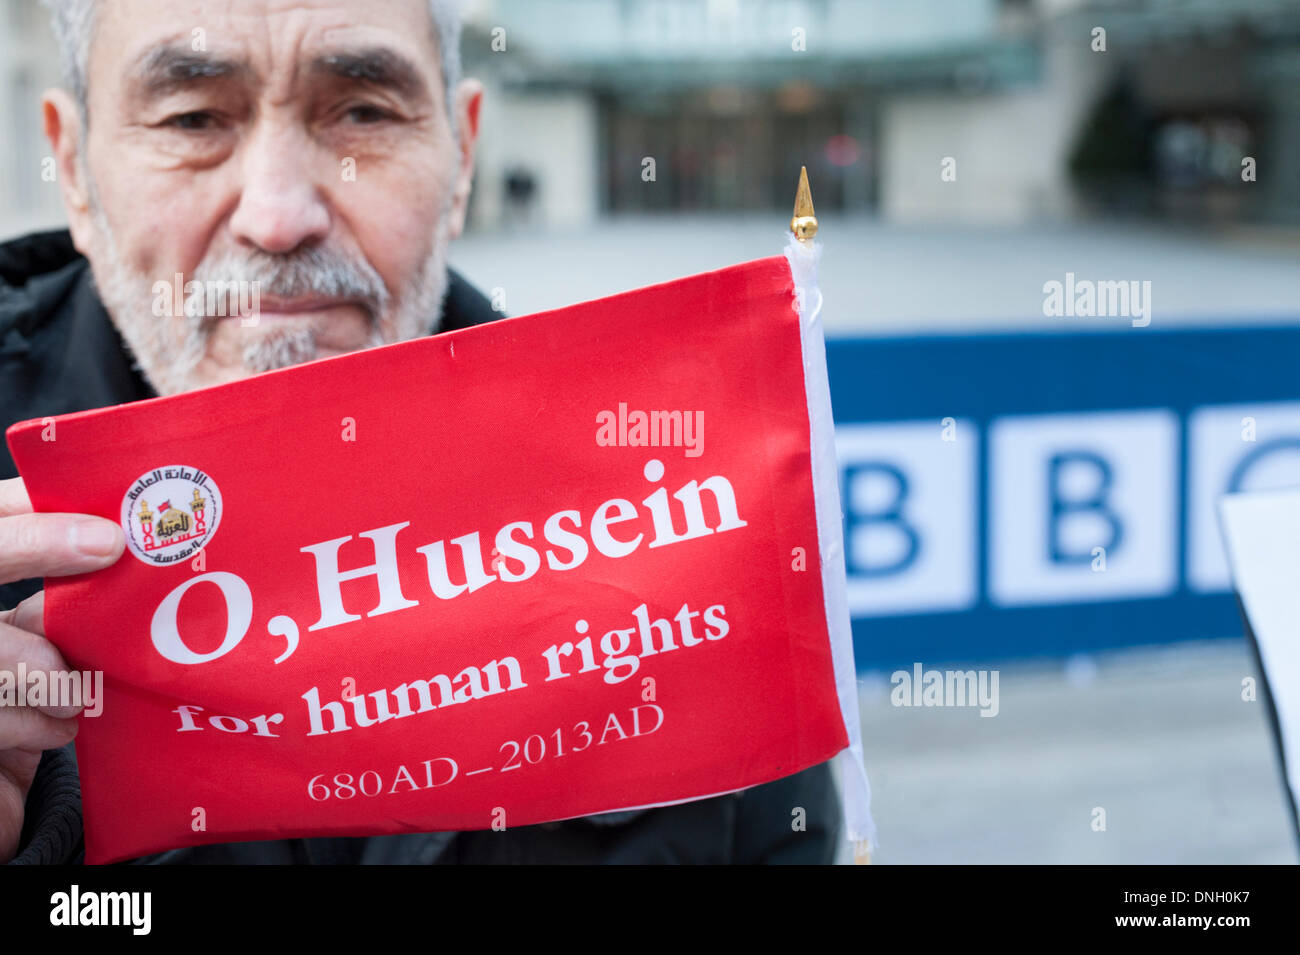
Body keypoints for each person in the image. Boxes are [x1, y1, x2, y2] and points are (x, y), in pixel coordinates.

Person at [0, 0, 842, 864]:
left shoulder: (689, 531)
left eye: (363, 111)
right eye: (191, 118)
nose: (279, 217)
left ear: (463, 157)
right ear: (73, 169)